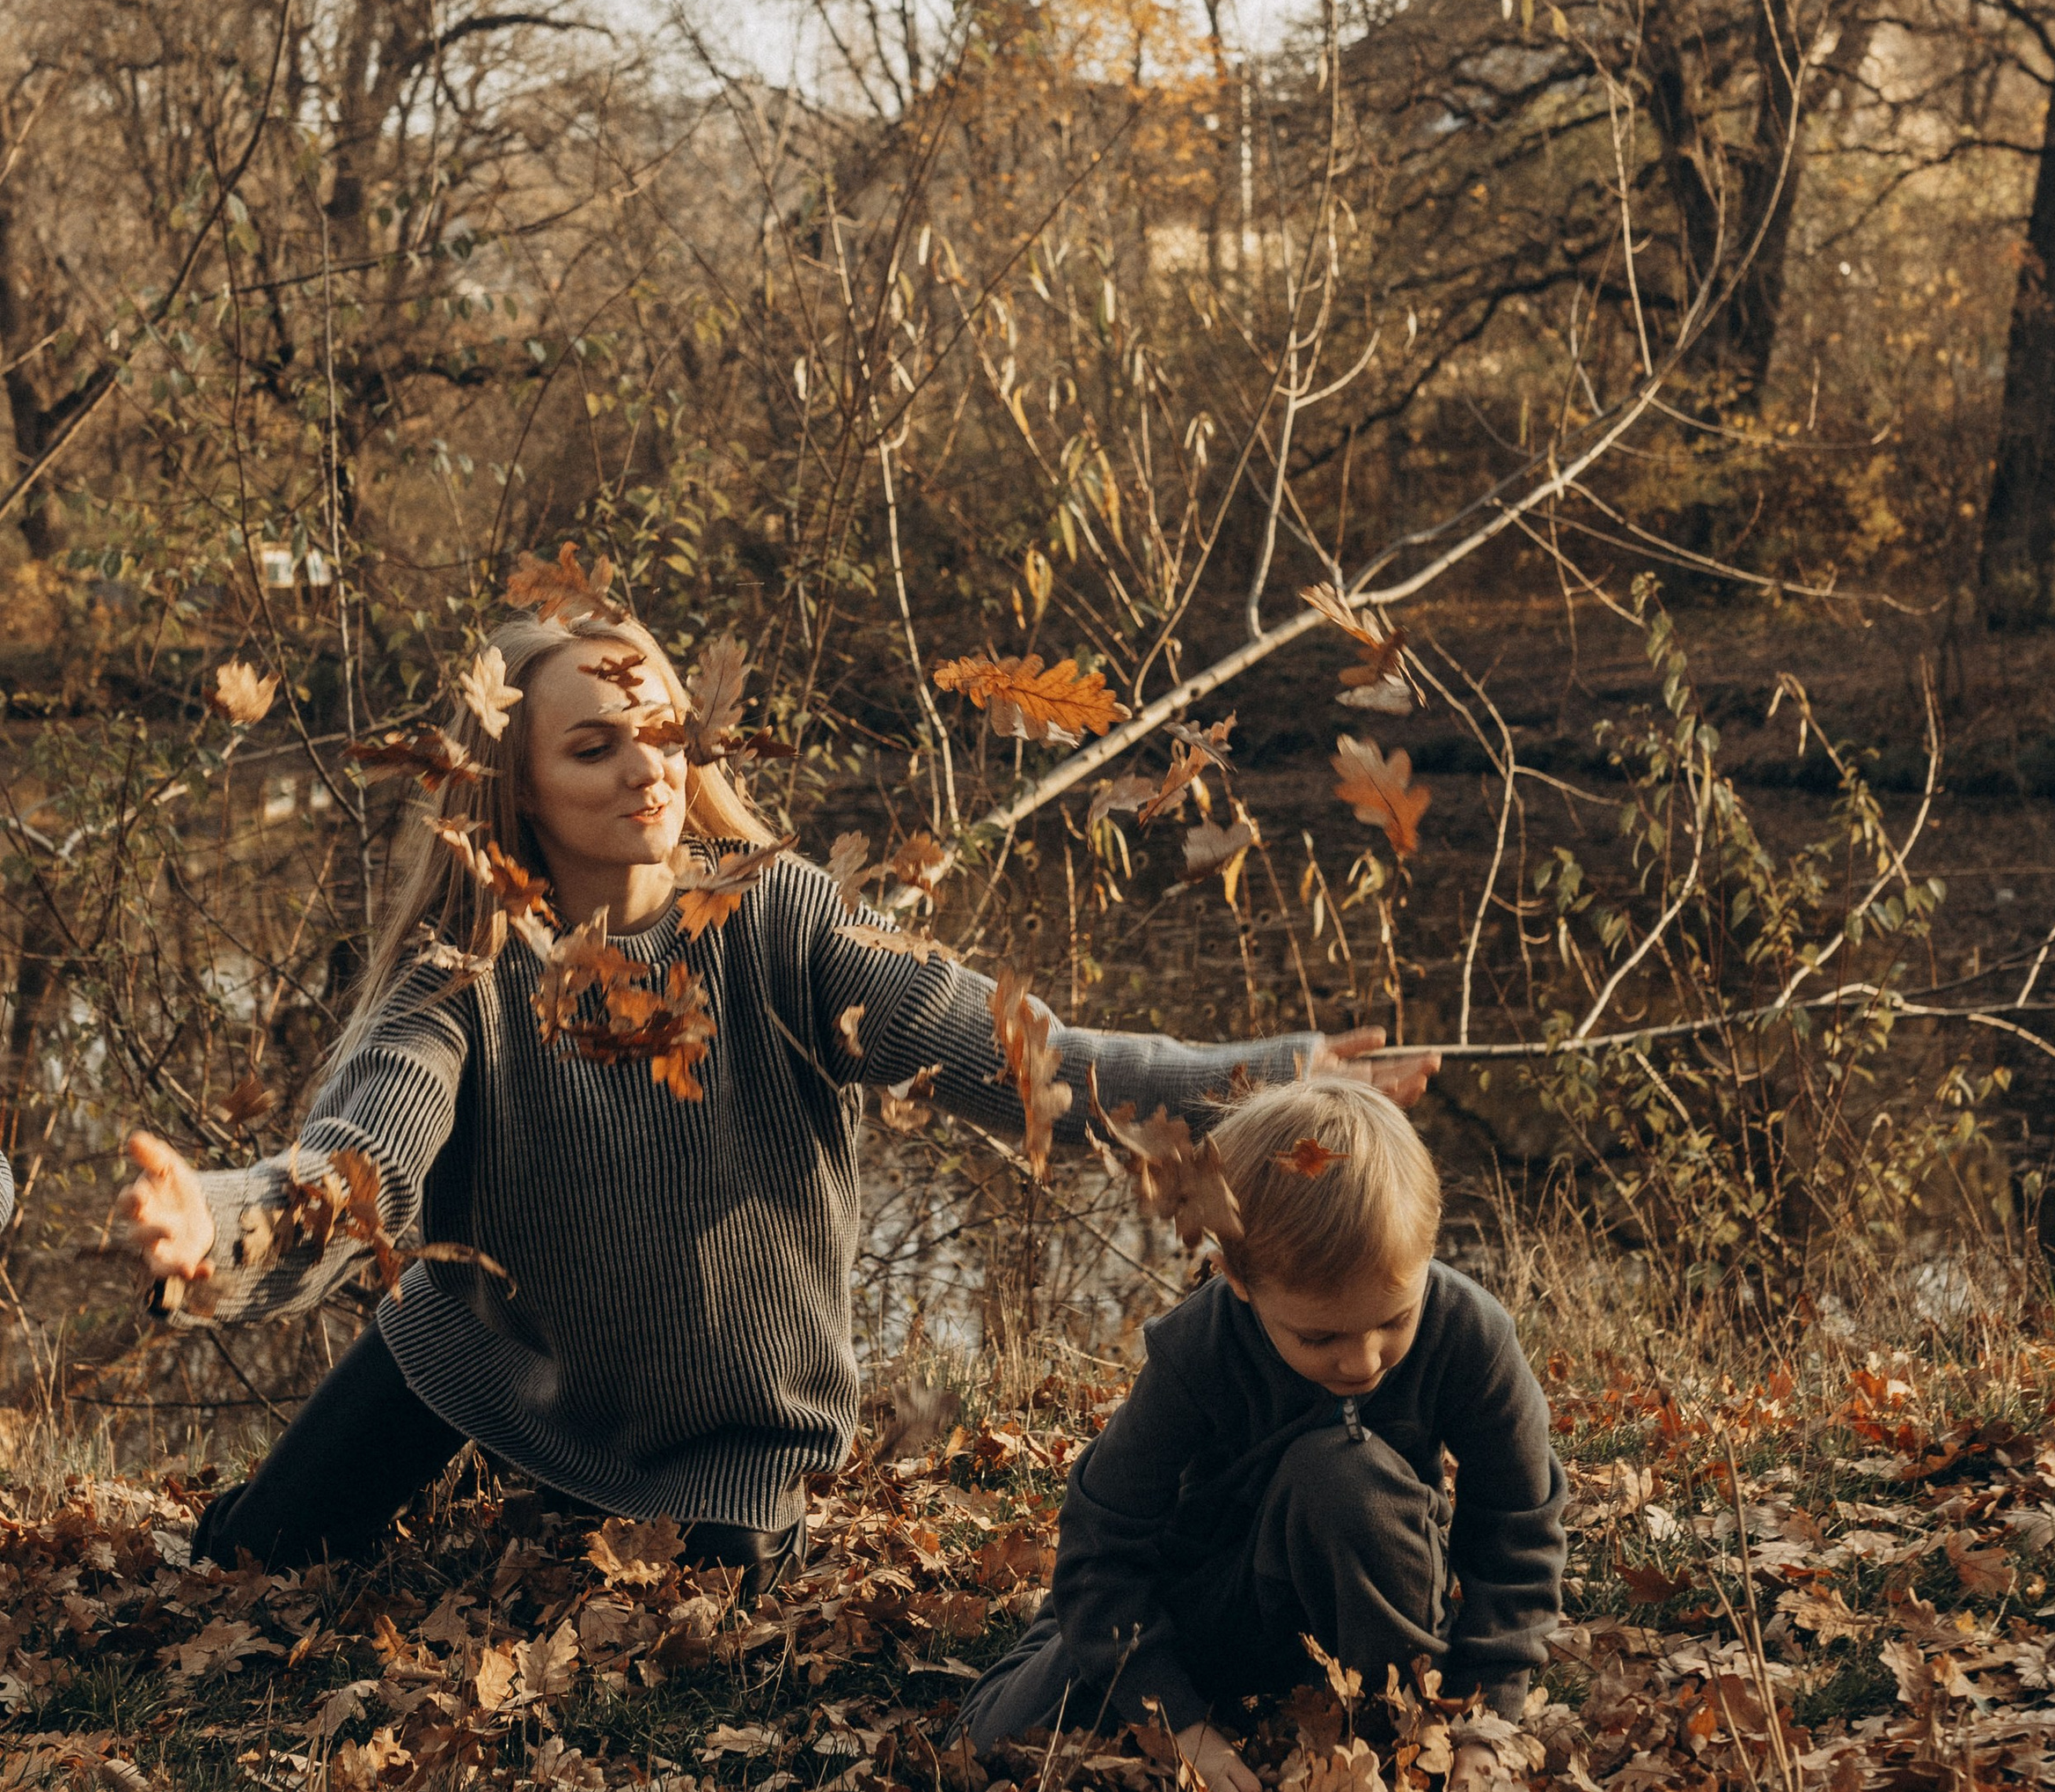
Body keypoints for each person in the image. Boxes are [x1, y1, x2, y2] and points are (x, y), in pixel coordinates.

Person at [111, 606, 1433, 1577]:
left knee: (695, 1616)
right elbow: (359, 1169)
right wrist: (214, 1228)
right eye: (595, 749)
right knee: (253, 1560)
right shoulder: (466, 977)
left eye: (665, 734)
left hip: (728, 1436)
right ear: (516, 781)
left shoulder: (783, 924)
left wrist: (1267, 1079)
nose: (648, 770)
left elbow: (1022, 1059)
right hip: (487, 1369)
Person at [957, 1075, 1567, 1792]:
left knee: (1343, 1476)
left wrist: (1485, 1720)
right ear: (1237, 1279)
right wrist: (1176, 1721)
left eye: (1392, 1321)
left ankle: (1381, 1718)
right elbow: (1101, 1543)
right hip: (1210, 1602)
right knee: (984, 1747)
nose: (1363, 1360)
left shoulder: (1470, 1333)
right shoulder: (1196, 1351)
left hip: (1376, 1590)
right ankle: (1086, 1659)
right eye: (1320, 1335)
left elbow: (1518, 1535)